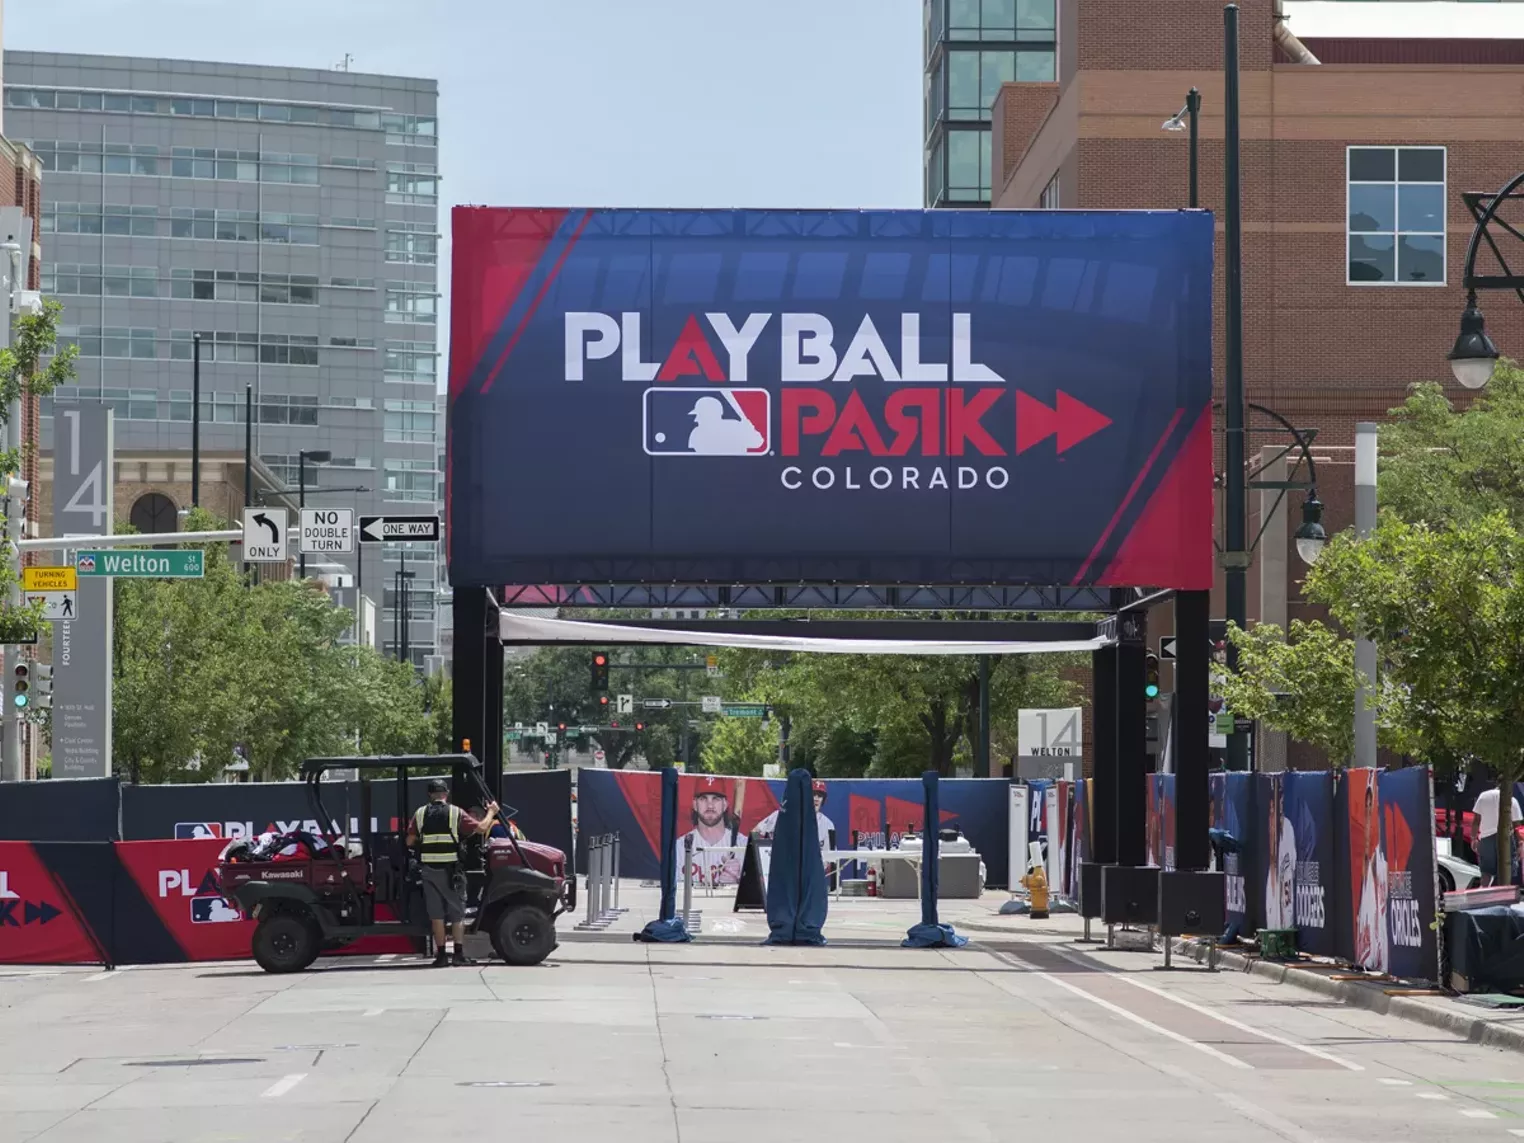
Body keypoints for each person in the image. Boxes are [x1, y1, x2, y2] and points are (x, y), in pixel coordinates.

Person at [407, 778, 499, 966]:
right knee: (457, 914)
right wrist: (491, 812)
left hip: (428, 871)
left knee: (436, 916)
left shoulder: (420, 813)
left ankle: (441, 956)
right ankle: (458, 955)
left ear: (429, 795)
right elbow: (481, 828)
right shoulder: (455, 812)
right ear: (446, 794)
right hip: (451, 873)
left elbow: (409, 841)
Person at [674, 777, 744, 887]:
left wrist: (738, 882)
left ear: (725, 805)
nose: (710, 805)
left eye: (716, 799)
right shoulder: (678, 848)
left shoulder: (744, 845)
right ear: (695, 805)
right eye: (703, 799)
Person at [756, 779, 836, 853]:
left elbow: (831, 855)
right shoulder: (781, 815)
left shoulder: (827, 824)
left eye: (820, 795)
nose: (816, 799)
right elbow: (756, 832)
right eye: (813, 794)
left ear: (823, 800)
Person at [1473, 783, 1523, 888]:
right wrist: (1521, 843)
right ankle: (1504, 892)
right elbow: (1517, 825)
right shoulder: (1512, 800)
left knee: (1486, 872)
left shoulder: (1483, 796)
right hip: (1506, 839)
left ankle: (1484, 892)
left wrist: (1474, 838)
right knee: (1506, 871)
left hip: (1486, 838)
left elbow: (1476, 820)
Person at [1263, 779, 1295, 929]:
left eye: (1278, 810)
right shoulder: (1266, 875)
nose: (1274, 820)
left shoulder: (1287, 829)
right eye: (1271, 811)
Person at [686, 396, 763, 455]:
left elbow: (758, 443)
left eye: (700, 415)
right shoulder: (697, 433)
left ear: (710, 415)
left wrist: (749, 430)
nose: (695, 420)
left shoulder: (735, 427)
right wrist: (748, 430)